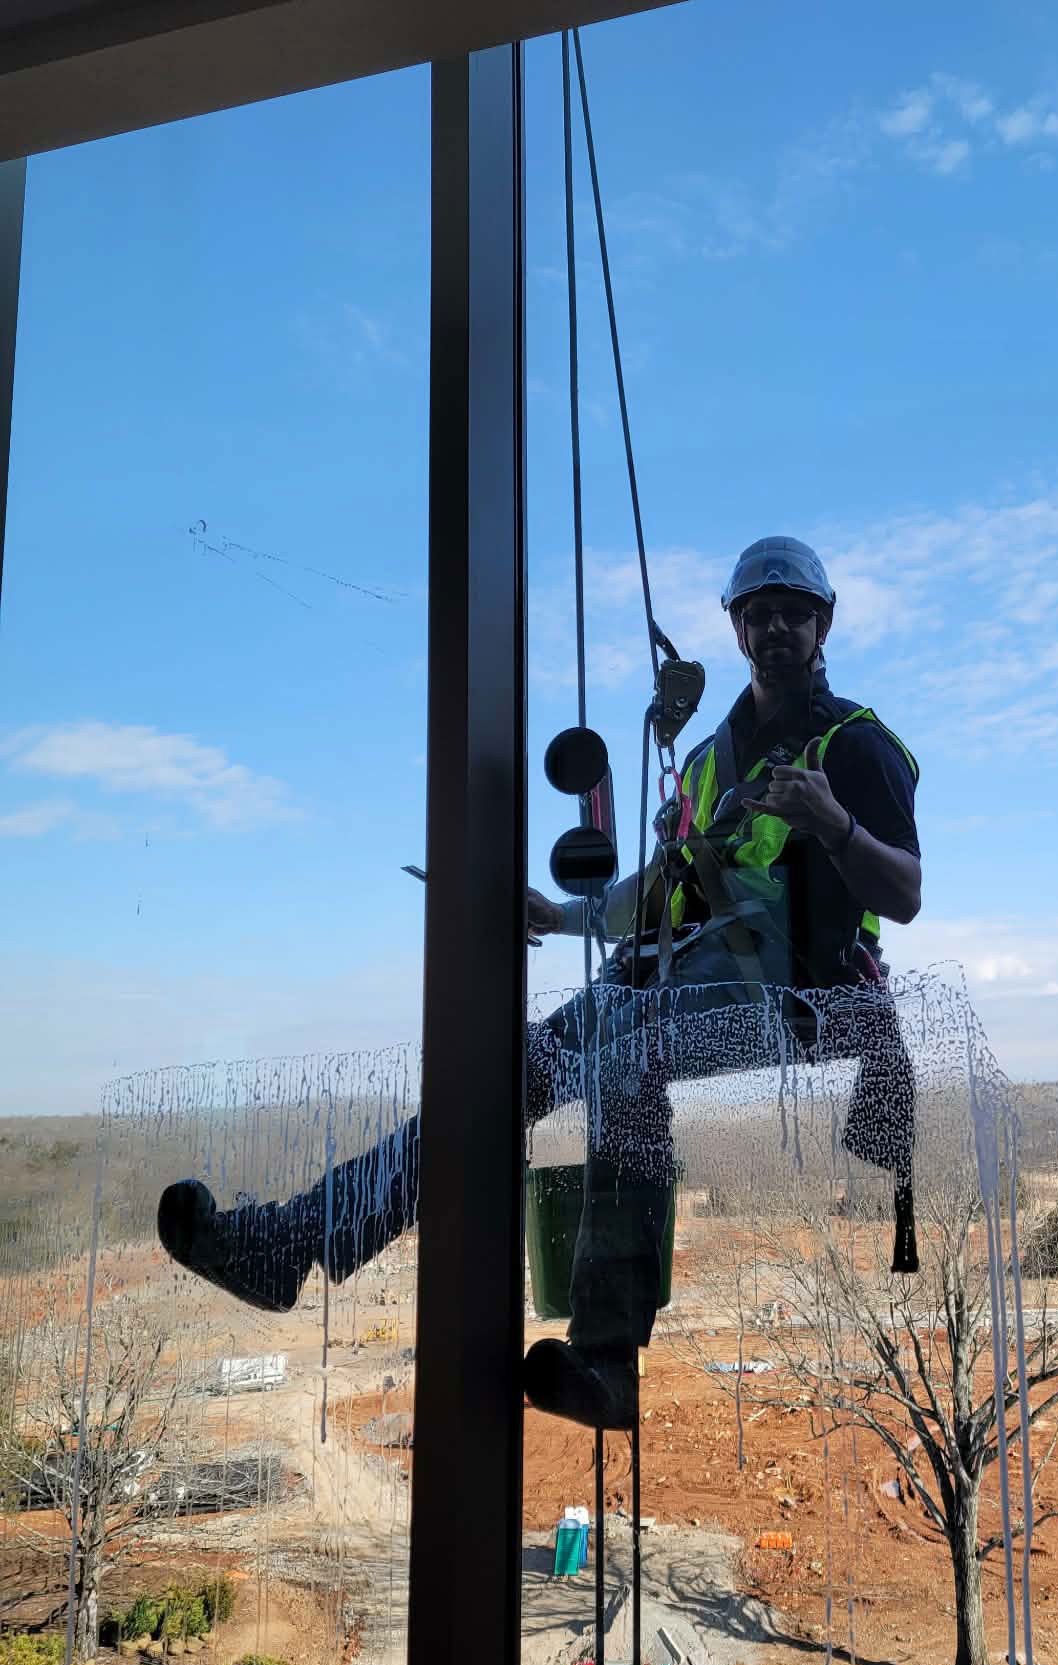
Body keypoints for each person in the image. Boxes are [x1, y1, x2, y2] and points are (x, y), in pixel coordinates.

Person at [156, 537, 921, 1430]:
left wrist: (832, 825)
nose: (776, 627)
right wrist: (559, 917)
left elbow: (903, 893)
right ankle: (293, 1243)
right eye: (758, 613)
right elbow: (664, 887)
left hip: (810, 1001)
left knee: (629, 1065)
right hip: (697, 979)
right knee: (512, 1069)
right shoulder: (714, 758)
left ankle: (607, 1357)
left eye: (795, 611)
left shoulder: (856, 744)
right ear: (737, 628)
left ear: (822, 623)